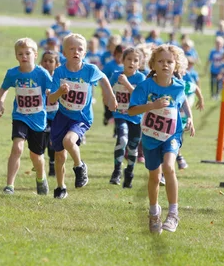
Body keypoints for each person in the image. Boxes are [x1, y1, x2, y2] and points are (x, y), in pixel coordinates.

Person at [128, 45, 195, 234]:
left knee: (169, 167)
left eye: (169, 62)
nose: (165, 65)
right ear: (153, 65)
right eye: (161, 61)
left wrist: (189, 117)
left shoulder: (179, 86)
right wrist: (152, 106)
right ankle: (154, 212)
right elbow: (132, 110)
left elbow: (182, 102)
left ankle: (173, 213)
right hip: (150, 136)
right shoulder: (145, 86)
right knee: (154, 176)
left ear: (176, 65)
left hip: (172, 134)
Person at [48, 33, 117, 199]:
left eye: (80, 49)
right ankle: (60, 187)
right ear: (64, 53)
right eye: (72, 49)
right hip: (62, 116)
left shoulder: (90, 70)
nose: (76, 52)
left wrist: (111, 96)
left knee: (68, 141)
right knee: (59, 156)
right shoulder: (59, 72)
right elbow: (50, 99)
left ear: (85, 53)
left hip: (81, 118)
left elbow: (104, 78)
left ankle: (80, 167)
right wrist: (60, 92)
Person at [0, 38, 52, 195]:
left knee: (36, 156)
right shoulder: (13, 73)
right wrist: (0, 103)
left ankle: (41, 178)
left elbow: (52, 90)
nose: (24, 56)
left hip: (38, 119)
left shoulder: (42, 73)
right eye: (20, 54)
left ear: (35, 54)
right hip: (20, 116)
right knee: (17, 148)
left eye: (27, 53)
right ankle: (9, 185)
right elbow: (4, 88)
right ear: (16, 56)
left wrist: (50, 92)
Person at [109, 48, 146, 187]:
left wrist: (126, 84)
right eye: (129, 59)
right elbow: (109, 91)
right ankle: (117, 171)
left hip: (136, 117)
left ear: (140, 63)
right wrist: (110, 101)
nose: (132, 62)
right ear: (122, 60)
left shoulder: (141, 78)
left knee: (133, 147)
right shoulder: (115, 76)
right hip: (121, 115)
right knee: (122, 139)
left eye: (135, 60)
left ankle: (129, 172)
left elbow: (139, 97)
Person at [40, 50, 60, 177]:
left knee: (53, 142)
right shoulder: (38, 78)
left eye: (51, 61)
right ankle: (39, 164)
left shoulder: (58, 79)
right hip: (41, 116)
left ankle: (52, 165)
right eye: (45, 61)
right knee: (42, 142)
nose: (47, 63)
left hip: (56, 116)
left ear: (56, 64)